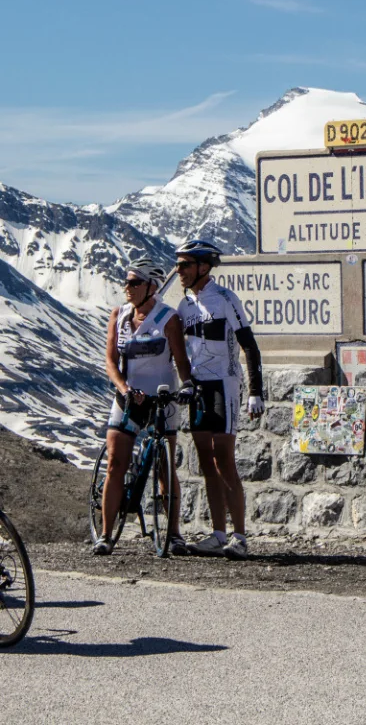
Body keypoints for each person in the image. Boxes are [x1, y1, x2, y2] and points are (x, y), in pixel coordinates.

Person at [95, 258, 194, 557]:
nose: (127, 287)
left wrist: (187, 384)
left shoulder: (168, 318)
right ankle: (105, 535)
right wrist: (125, 389)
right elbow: (110, 361)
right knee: (115, 464)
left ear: (151, 286)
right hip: (127, 398)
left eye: (134, 283)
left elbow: (180, 361)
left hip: (161, 400)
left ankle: (174, 534)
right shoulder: (119, 315)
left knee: (166, 469)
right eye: (126, 282)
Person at [174, 239, 265, 560]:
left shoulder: (226, 299)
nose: (179, 270)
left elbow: (249, 345)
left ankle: (239, 535)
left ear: (203, 267)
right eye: (177, 264)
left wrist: (256, 391)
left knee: (224, 459)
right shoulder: (184, 306)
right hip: (198, 388)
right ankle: (217, 533)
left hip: (224, 385)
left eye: (184, 265)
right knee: (206, 462)